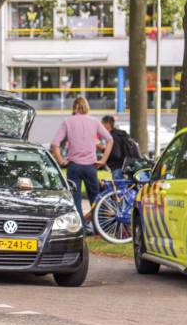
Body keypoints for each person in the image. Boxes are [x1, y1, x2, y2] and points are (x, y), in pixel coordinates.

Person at [51, 97, 113, 232]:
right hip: (91, 166)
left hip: (74, 166)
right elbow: (109, 139)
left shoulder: (67, 122)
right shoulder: (95, 122)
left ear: (74, 107)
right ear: (87, 106)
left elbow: (55, 144)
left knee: (75, 198)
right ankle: (100, 228)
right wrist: (103, 160)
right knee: (95, 198)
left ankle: (81, 228)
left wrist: (61, 161)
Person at [100, 115, 141, 180]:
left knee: (118, 187)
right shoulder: (120, 134)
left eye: (102, 124)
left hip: (118, 168)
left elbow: (116, 154)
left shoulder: (113, 137)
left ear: (107, 124)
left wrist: (103, 150)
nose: (101, 127)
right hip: (125, 167)